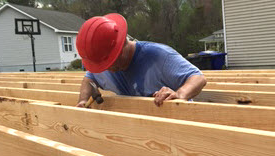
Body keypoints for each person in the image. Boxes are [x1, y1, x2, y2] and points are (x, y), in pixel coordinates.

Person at [75, 13, 207, 107]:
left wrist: (180, 94)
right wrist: (83, 100)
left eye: (107, 64)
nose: (105, 70)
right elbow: (90, 78)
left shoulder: (158, 56)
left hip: (176, 127)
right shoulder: (103, 64)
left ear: (119, 50)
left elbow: (198, 78)